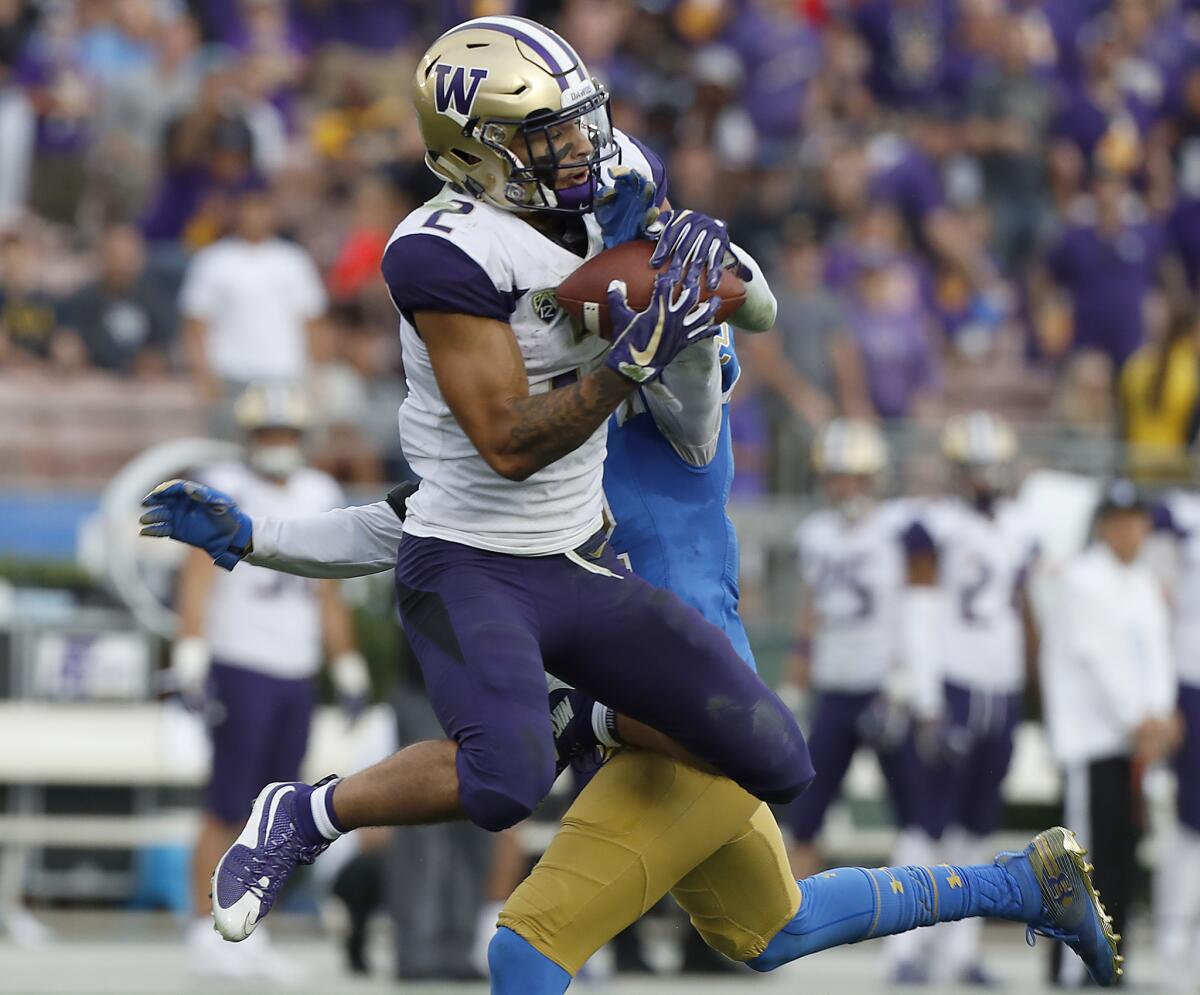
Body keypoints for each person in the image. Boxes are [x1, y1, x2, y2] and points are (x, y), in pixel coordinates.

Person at [141, 15, 1123, 993]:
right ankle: (1020, 882)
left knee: (527, 947)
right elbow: (417, 515)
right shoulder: (538, 375)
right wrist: (255, 538)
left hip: (686, 694)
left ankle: (510, 749)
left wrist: (671, 329)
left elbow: (698, 395)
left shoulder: (669, 381)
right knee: (767, 925)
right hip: (625, 665)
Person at [169, 382, 370, 980]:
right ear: (248, 436)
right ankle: (199, 923)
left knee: (276, 807)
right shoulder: (225, 485)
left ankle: (250, 929)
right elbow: (195, 577)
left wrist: (347, 663)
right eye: (267, 433)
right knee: (227, 799)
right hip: (240, 660)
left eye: (285, 433)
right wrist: (190, 653)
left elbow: (328, 588)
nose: (276, 444)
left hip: (294, 668)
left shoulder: (318, 490)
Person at [890, 411, 1041, 985]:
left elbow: (1022, 613)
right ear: (956, 470)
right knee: (926, 822)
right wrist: (926, 699)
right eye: (975, 466)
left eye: (992, 465)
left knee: (979, 827)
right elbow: (920, 612)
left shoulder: (1019, 528)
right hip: (950, 683)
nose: (985, 476)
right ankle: (901, 951)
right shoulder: (937, 525)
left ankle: (959, 951)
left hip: (999, 689)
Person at [1041, 479, 1177, 988]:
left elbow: (1156, 654)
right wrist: (1139, 719)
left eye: (1136, 520)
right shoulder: (1082, 578)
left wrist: (1158, 715)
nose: (1129, 530)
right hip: (1091, 742)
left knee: (1122, 859)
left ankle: (1109, 968)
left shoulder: (1141, 580)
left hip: (1133, 744)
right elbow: (1095, 658)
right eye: (1119, 521)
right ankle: (1069, 970)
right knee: (1081, 860)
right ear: (1103, 526)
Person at [781, 420, 915, 881]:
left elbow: (919, 604)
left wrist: (907, 671)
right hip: (835, 684)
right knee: (807, 808)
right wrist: (799, 662)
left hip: (883, 686)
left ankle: (921, 918)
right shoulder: (816, 533)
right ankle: (795, 917)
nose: (847, 487)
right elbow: (810, 605)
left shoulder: (898, 528)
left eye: (856, 476)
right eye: (838, 476)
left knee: (915, 811)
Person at [178, 183, 326, 405]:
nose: (254, 216)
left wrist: (314, 375)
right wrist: (203, 375)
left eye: (261, 208)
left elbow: (313, 322)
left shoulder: (294, 260)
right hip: (229, 377)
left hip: (285, 376)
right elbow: (196, 324)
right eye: (247, 208)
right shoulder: (212, 260)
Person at [60, 223, 174, 377]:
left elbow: (164, 347)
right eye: (114, 258)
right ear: (101, 258)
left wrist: (154, 360)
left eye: (127, 258)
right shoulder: (83, 299)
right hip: (93, 382)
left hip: (142, 386)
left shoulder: (155, 299)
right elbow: (68, 341)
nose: (121, 266)